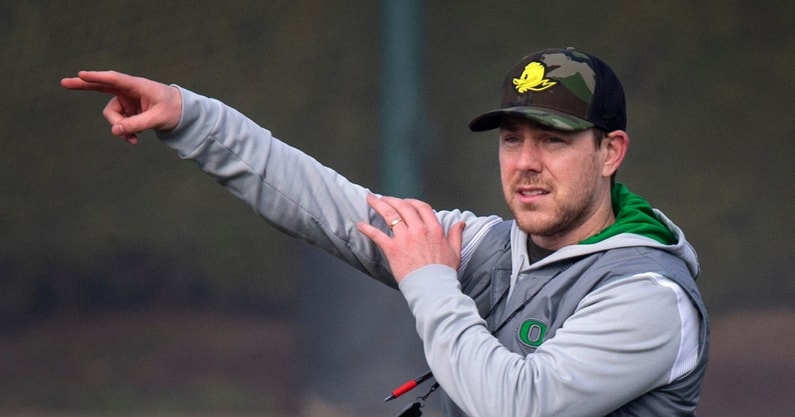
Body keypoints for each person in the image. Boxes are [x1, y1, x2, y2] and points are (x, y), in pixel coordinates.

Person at [62, 47, 709, 416]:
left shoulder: (648, 296)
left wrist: (430, 281)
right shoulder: (490, 244)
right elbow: (328, 205)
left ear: (610, 151)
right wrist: (189, 118)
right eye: (512, 139)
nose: (526, 163)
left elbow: (519, 405)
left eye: (554, 141)